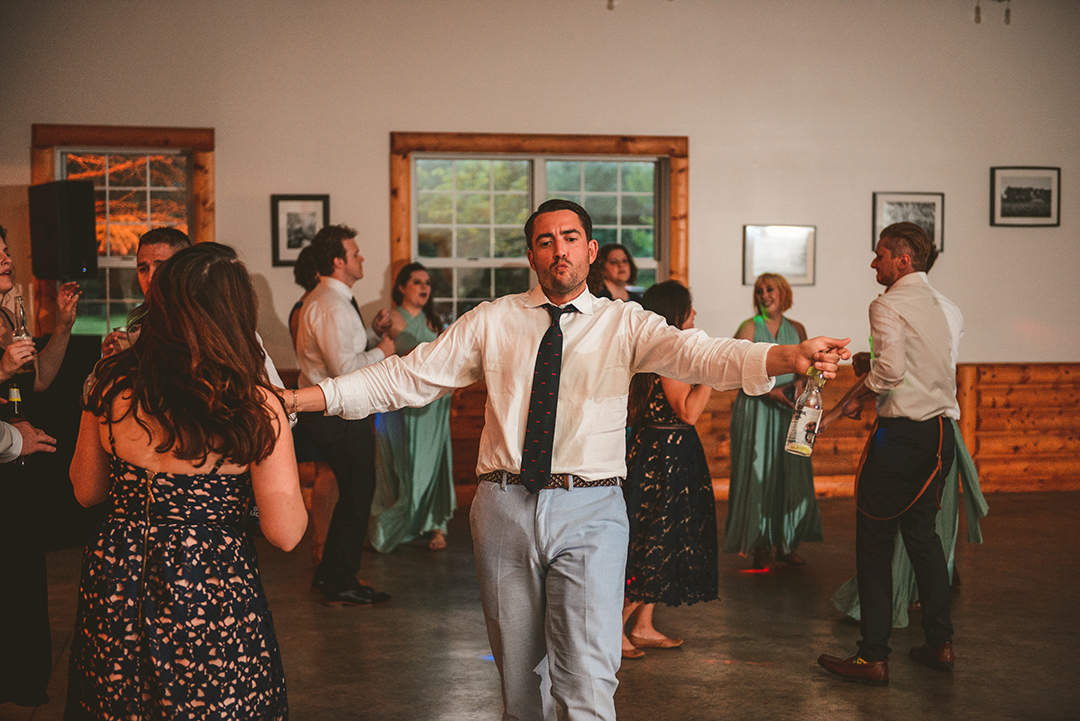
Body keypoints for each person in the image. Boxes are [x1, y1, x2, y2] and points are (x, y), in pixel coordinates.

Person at [290, 199, 849, 720]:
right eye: (545, 240)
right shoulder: (493, 320)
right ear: (531, 254)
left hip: (592, 509)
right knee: (520, 683)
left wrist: (788, 355)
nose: (559, 249)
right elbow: (403, 378)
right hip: (502, 506)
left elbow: (700, 353)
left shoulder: (625, 323)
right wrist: (301, 399)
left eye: (570, 238)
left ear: (590, 249)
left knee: (587, 678)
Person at [66, 242, 307, 720]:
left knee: (119, 701)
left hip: (120, 577)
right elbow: (285, 532)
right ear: (236, 312)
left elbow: (86, 489)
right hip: (209, 584)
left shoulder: (110, 383)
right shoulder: (254, 405)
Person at [817, 222, 963, 687]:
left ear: (902, 260)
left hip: (901, 438)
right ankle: (940, 642)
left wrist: (843, 405)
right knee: (924, 539)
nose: (873, 263)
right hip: (943, 434)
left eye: (879, 254)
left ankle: (872, 656)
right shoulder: (946, 307)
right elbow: (925, 367)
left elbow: (891, 372)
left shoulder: (886, 304)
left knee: (875, 545)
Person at [0, 224, 80, 707]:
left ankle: (21, 682)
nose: (6, 258)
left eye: (6, 250)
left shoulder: (10, 315)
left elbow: (40, 381)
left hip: (16, 465)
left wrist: (65, 325)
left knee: (23, 576)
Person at [295, 224, 395, 605]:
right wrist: (383, 351)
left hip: (334, 411)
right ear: (339, 262)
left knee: (354, 491)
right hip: (334, 414)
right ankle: (340, 580)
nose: (361, 258)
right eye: (355, 253)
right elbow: (344, 369)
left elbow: (345, 350)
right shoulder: (331, 304)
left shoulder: (332, 300)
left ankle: (330, 575)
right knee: (357, 493)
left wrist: (371, 334)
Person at [621, 281, 716, 660]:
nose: (695, 316)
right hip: (665, 455)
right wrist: (709, 370)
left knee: (663, 536)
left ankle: (643, 626)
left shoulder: (653, 348)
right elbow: (689, 412)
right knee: (654, 540)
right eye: (690, 310)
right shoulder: (669, 353)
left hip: (659, 450)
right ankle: (616, 626)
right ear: (676, 314)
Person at [724, 273, 823, 569]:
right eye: (760, 291)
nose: (765, 295)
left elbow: (809, 370)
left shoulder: (798, 329)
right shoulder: (749, 328)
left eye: (770, 290)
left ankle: (787, 542)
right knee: (758, 472)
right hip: (758, 410)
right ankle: (760, 544)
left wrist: (802, 387)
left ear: (783, 293)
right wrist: (771, 392)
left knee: (791, 472)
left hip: (789, 411)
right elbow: (736, 369)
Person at [368, 262, 456, 552]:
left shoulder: (436, 321)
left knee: (432, 463)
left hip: (433, 405)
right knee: (402, 463)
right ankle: (395, 523)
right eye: (417, 282)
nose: (423, 287)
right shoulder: (389, 317)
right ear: (402, 287)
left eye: (427, 283)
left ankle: (436, 524)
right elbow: (375, 345)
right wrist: (377, 328)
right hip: (400, 403)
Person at [289, 245, 338, 565]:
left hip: (315, 394)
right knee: (326, 473)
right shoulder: (310, 306)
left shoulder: (309, 304)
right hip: (315, 396)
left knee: (329, 473)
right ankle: (321, 543)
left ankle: (324, 542)